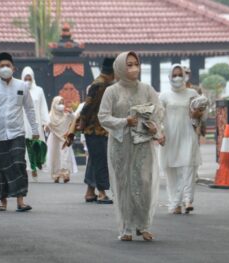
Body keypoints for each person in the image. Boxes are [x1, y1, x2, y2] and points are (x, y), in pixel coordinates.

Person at [98, 51, 164, 241]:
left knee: (143, 182)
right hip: (121, 145)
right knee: (124, 184)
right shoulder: (112, 91)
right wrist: (124, 121)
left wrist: (155, 128)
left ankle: (143, 225)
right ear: (119, 67)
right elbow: (103, 117)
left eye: (136, 63)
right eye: (129, 64)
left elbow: (159, 111)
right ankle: (126, 227)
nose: (134, 68)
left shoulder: (147, 89)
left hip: (143, 145)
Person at [0, 52, 39, 212]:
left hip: (17, 132)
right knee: (0, 167)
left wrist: (35, 129)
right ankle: (2, 201)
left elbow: (30, 108)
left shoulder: (22, 86)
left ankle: (20, 200)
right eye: (2, 66)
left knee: (19, 164)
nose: (5, 68)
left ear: (14, 68)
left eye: (8, 66)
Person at [159, 64, 202, 215]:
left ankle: (188, 200)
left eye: (180, 74)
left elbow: (201, 114)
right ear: (169, 77)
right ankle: (175, 203)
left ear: (184, 76)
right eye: (174, 75)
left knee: (189, 166)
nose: (177, 77)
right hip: (170, 137)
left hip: (187, 134)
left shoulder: (192, 93)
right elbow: (158, 117)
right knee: (172, 170)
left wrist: (198, 115)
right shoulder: (164, 96)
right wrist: (160, 133)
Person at [79, 58, 115, 204]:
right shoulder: (101, 84)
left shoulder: (103, 83)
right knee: (101, 161)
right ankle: (101, 193)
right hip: (96, 129)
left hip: (96, 129)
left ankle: (89, 192)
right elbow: (87, 106)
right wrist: (82, 121)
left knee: (94, 160)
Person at [21, 66, 49, 181]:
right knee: (25, 147)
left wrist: (45, 122)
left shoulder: (39, 90)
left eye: (29, 78)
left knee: (36, 146)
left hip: (35, 124)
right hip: (22, 122)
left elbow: (43, 107)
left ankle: (35, 167)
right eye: (25, 78)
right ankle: (27, 169)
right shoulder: (19, 89)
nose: (28, 80)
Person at [45, 96, 77, 183]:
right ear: (54, 104)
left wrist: (72, 113)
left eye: (63, 103)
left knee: (65, 155)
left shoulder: (67, 114)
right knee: (55, 156)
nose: (62, 105)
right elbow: (46, 127)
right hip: (54, 139)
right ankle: (56, 175)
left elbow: (75, 120)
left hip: (64, 139)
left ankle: (66, 174)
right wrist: (46, 126)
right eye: (59, 103)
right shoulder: (50, 116)